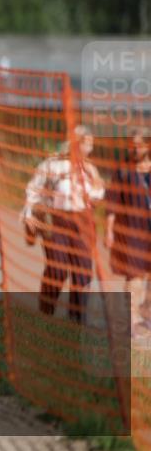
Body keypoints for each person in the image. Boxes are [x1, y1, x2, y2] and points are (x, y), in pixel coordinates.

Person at [22, 125, 105, 323]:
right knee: (57, 269)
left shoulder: (91, 169)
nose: (89, 147)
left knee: (83, 272)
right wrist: (28, 214)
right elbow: (33, 189)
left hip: (83, 222)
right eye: (86, 142)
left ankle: (76, 321)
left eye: (91, 143)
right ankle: (46, 313)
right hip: (57, 220)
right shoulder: (53, 164)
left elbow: (98, 194)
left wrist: (96, 190)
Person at [105, 129, 151, 333]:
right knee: (134, 275)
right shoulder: (123, 169)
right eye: (132, 144)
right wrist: (109, 231)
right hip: (132, 230)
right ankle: (130, 320)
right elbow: (112, 201)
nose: (135, 148)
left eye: (139, 144)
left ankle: (146, 315)